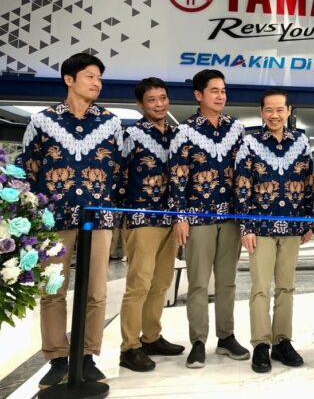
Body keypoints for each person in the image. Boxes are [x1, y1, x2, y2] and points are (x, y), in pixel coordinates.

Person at [17, 52, 123, 388]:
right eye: (90, 76)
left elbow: (117, 169)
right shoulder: (42, 121)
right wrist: (33, 217)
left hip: (98, 218)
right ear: (69, 79)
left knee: (96, 291)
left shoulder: (111, 122)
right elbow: (29, 169)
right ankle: (57, 358)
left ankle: (88, 356)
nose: (97, 83)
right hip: (53, 219)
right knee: (52, 290)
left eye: (99, 78)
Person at [168, 69, 249, 369]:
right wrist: (180, 216)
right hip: (197, 216)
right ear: (198, 95)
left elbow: (244, 173)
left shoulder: (236, 128)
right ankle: (198, 341)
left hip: (230, 217)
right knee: (199, 283)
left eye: (223, 90)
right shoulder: (185, 130)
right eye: (214, 90)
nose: (220, 96)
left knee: (227, 282)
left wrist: (245, 216)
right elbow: (177, 175)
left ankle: (226, 337)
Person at [235, 89, 314, 373]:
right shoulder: (250, 143)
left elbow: (309, 182)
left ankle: (282, 341)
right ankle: (261, 343)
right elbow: (242, 186)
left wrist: (308, 222)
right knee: (260, 287)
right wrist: (246, 225)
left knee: (286, 286)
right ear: (261, 112)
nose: (274, 115)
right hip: (261, 227)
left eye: (280, 109)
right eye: (269, 109)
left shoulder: (301, 142)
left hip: (292, 226)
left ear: (289, 111)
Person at [118, 77, 185, 372]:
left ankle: (151, 337)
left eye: (163, 98)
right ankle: (129, 347)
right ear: (140, 104)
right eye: (152, 100)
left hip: (170, 218)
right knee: (139, 284)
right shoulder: (131, 135)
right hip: (141, 217)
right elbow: (118, 173)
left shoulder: (175, 134)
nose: (159, 104)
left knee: (161, 283)